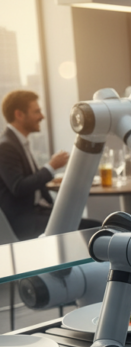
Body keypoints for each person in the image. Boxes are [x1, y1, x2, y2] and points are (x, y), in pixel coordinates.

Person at [0, 90, 92, 240]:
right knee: (92, 229)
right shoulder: (6, 147)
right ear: (19, 114)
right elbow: (19, 187)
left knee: (93, 226)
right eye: (37, 111)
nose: (42, 116)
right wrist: (50, 167)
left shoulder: (18, 143)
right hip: (24, 222)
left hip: (39, 213)